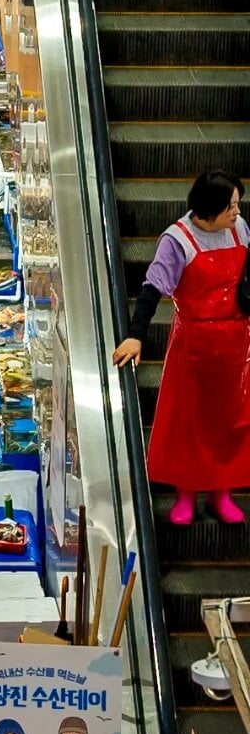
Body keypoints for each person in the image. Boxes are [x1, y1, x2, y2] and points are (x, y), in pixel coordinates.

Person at [113, 168, 250, 524]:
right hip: (194, 344)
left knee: (228, 421)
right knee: (189, 421)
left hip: (237, 345)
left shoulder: (239, 228)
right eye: (231, 206)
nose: (237, 212)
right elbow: (152, 289)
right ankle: (185, 494)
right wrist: (135, 334)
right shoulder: (177, 240)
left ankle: (221, 493)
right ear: (211, 208)